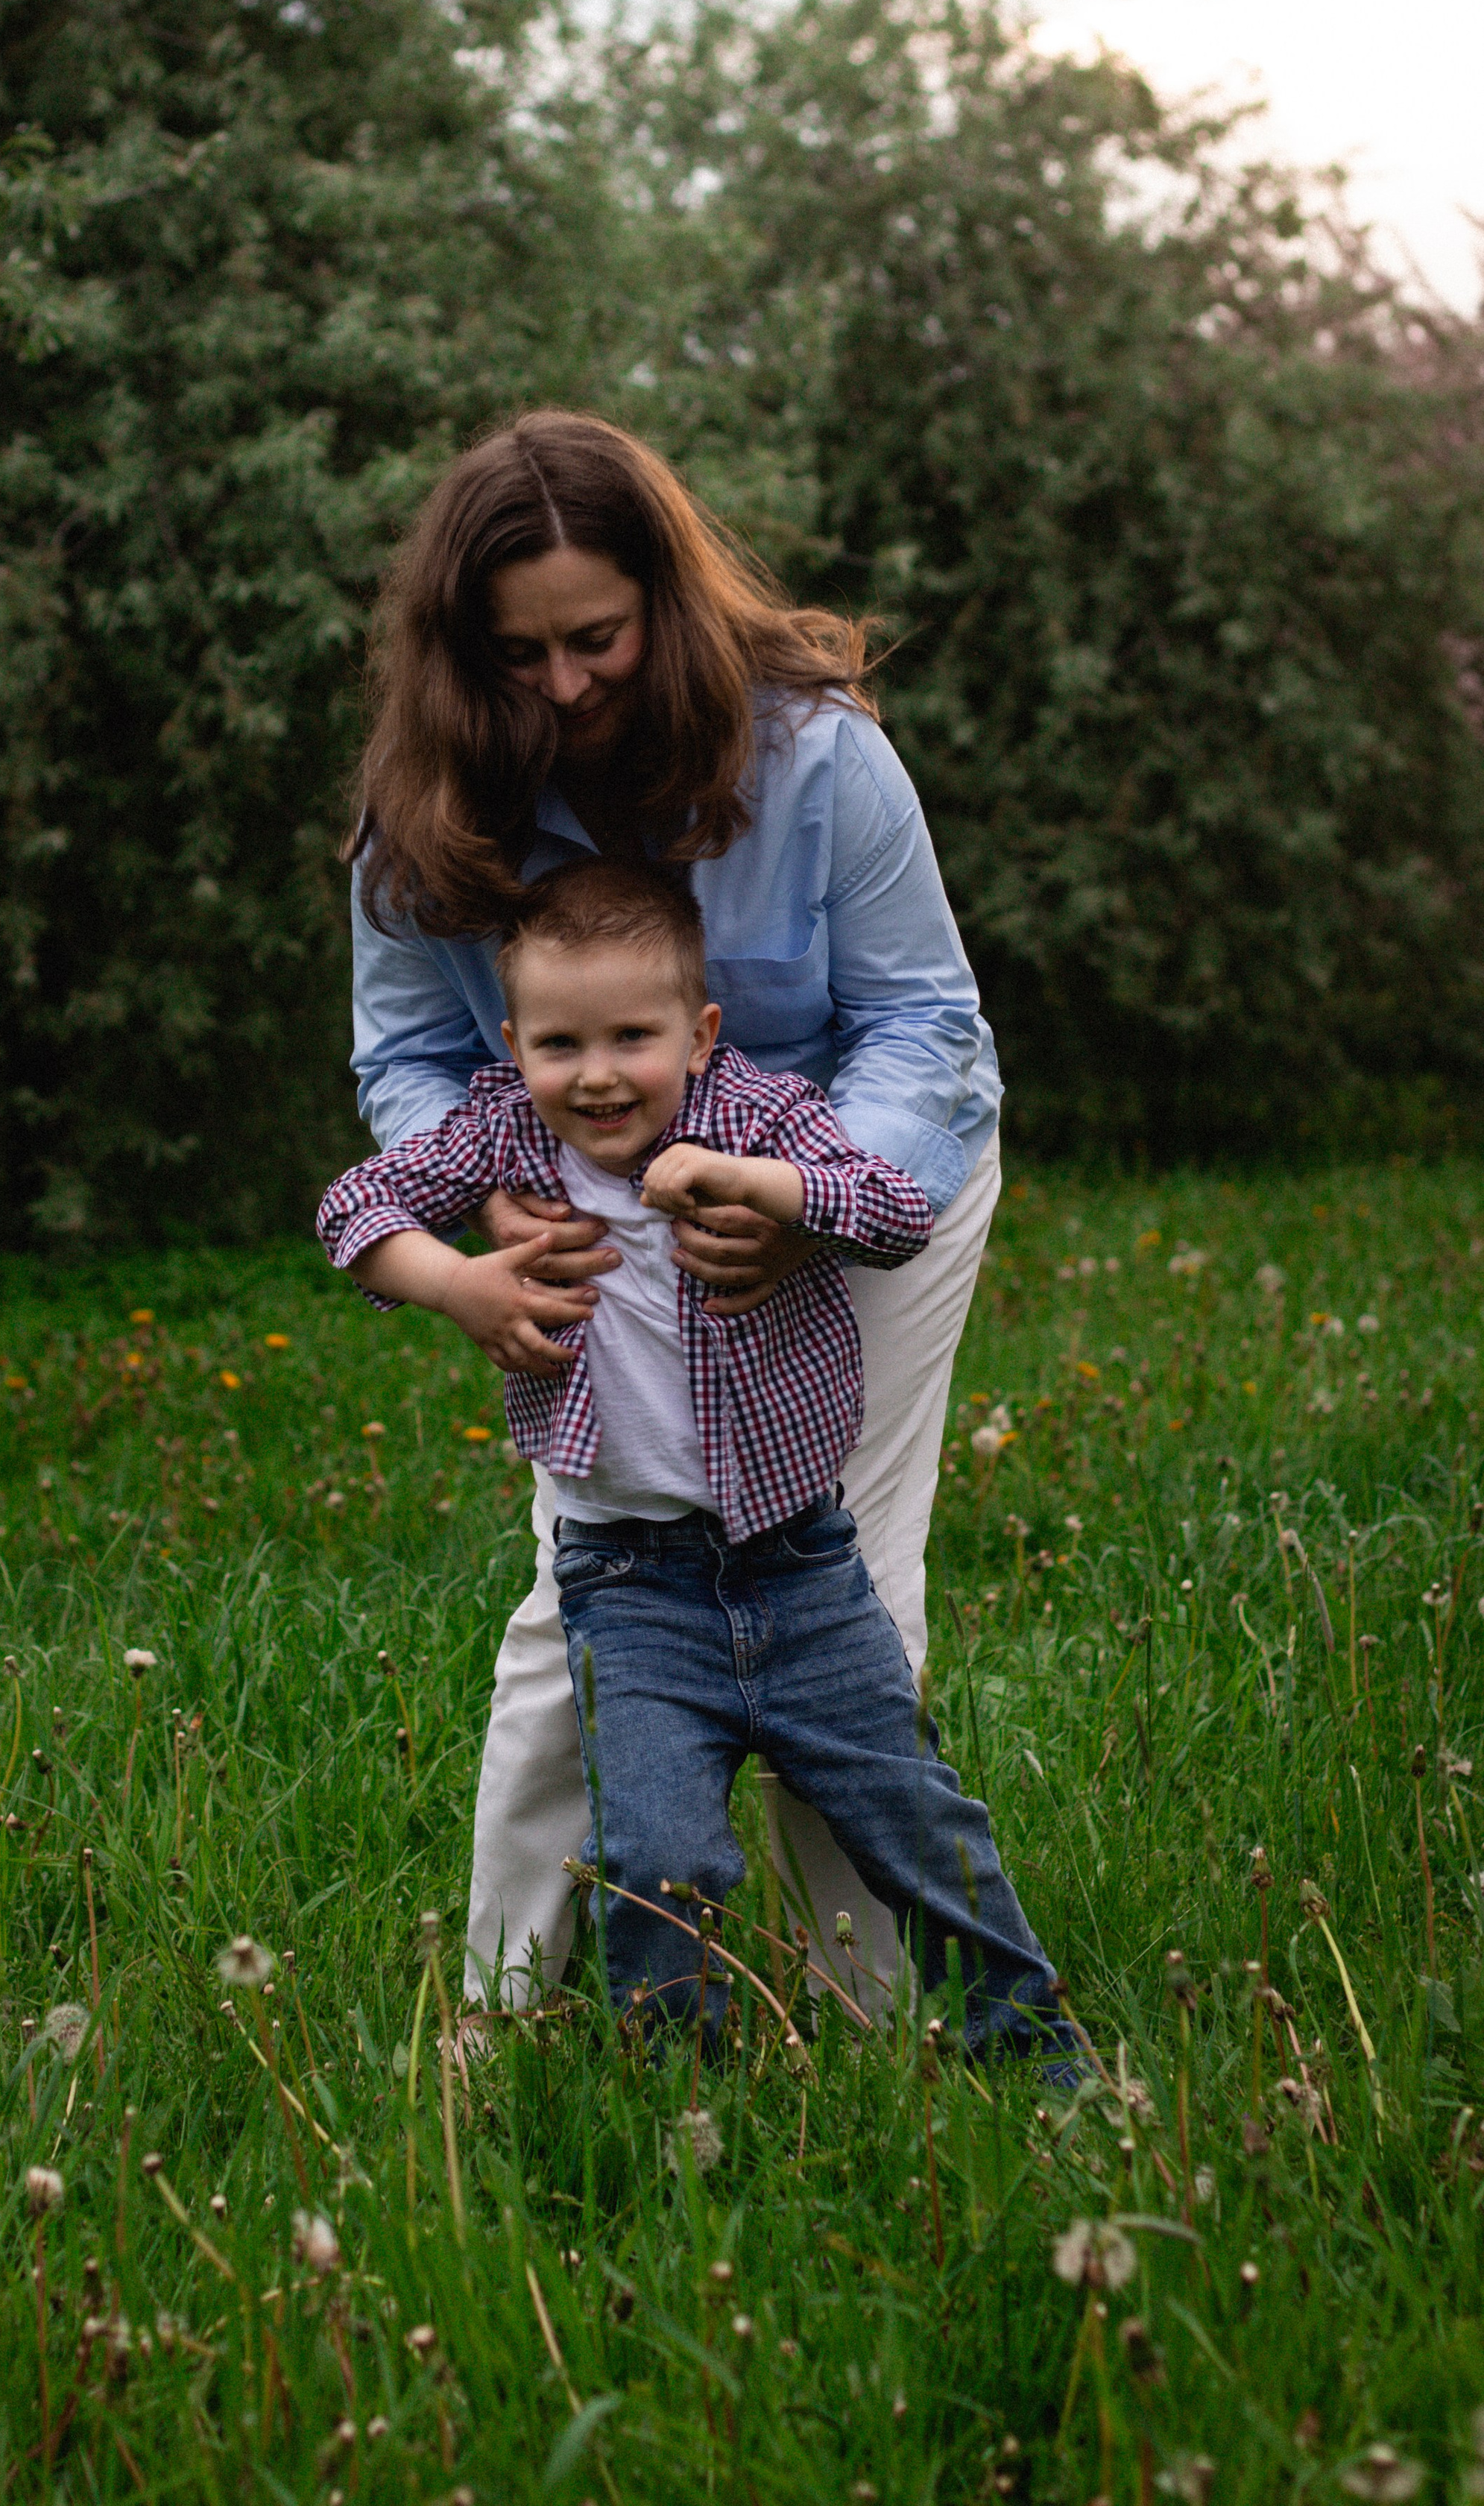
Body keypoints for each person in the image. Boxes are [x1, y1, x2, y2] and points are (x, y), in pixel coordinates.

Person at [347, 409, 1003, 2013]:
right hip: (584, 1221)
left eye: (596, 639)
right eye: (519, 655)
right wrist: (493, 1207)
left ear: (663, 604)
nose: (564, 686)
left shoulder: (816, 755)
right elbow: (410, 1058)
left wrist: (803, 1201)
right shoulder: (426, 811)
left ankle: (870, 2017)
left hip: (858, 1191)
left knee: (837, 1595)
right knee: (584, 1602)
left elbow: (923, 1023)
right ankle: (502, 2017)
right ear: (460, 652)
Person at [317, 862, 1063, 2053]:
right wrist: (456, 1282)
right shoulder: (507, 1133)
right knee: (656, 1852)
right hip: (629, 1582)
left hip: (802, 1565)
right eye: (560, 1042)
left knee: (913, 1820)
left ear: (701, 1034)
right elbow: (355, 1211)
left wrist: (761, 1189)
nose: (600, 1072)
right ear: (512, 1047)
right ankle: (679, 2090)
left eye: (634, 1036)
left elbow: (890, 1210)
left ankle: (1031, 2050)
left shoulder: (761, 1117)